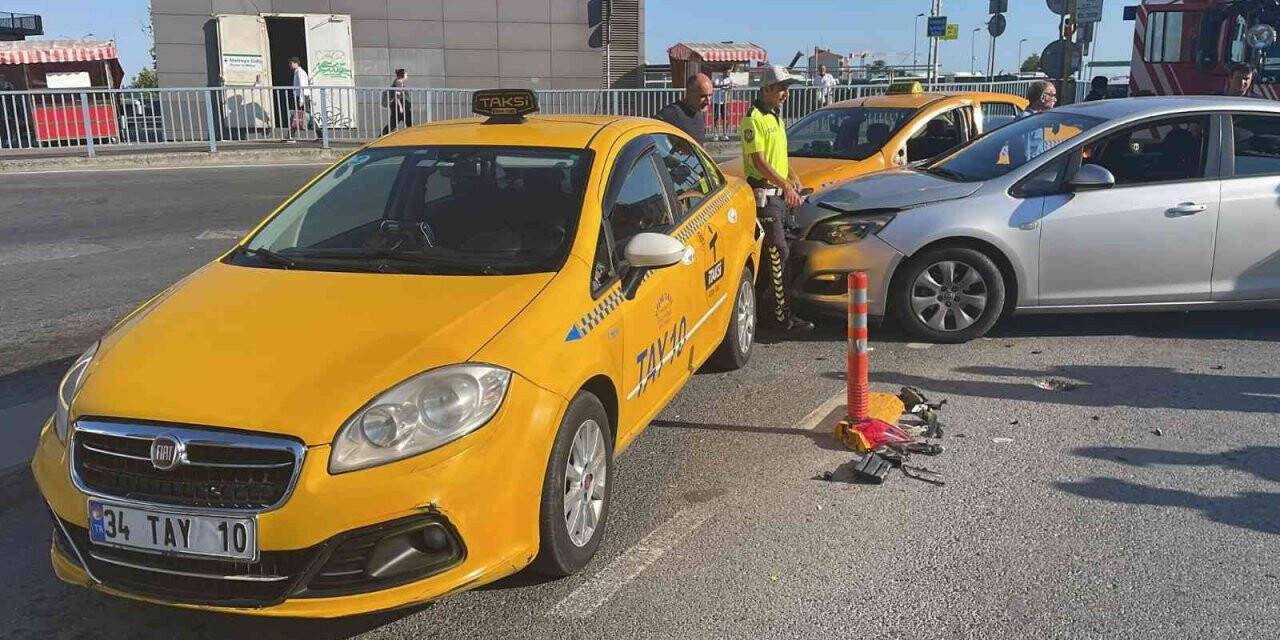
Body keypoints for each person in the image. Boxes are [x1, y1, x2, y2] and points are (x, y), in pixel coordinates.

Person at [740, 64, 813, 333]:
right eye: (782, 88)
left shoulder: (776, 117)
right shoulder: (753, 118)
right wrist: (784, 184)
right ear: (767, 88)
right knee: (776, 252)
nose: (786, 94)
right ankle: (780, 318)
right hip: (765, 197)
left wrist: (792, 178)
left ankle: (773, 310)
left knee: (786, 253)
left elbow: (779, 158)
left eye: (787, 89)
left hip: (779, 196)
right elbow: (758, 162)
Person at [655, 73, 712, 144]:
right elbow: (651, 137)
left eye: (710, 95)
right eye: (703, 96)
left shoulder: (699, 113)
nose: (708, 102)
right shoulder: (671, 113)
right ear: (689, 93)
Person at [286, 57, 314, 143]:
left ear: (295, 63)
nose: (289, 65)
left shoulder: (300, 72)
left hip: (302, 97)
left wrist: (301, 100)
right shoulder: (298, 72)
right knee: (299, 116)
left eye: (290, 63)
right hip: (302, 96)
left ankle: (291, 136)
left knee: (298, 116)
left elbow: (302, 86)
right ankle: (290, 135)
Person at [382, 68, 412, 134]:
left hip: (400, 106)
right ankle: (380, 137)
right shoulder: (399, 82)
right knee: (394, 124)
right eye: (406, 75)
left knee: (396, 123)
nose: (407, 76)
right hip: (400, 106)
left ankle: (381, 136)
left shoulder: (397, 81)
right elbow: (397, 96)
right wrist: (401, 107)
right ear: (403, 75)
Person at [712, 70, 734, 139]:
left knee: (725, 117)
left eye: (729, 72)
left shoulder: (730, 79)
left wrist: (729, 87)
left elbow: (731, 87)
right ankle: (715, 134)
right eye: (727, 72)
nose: (728, 73)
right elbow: (714, 85)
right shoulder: (718, 78)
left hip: (724, 101)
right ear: (723, 72)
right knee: (715, 118)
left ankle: (725, 134)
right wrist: (723, 86)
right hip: (716, 101)